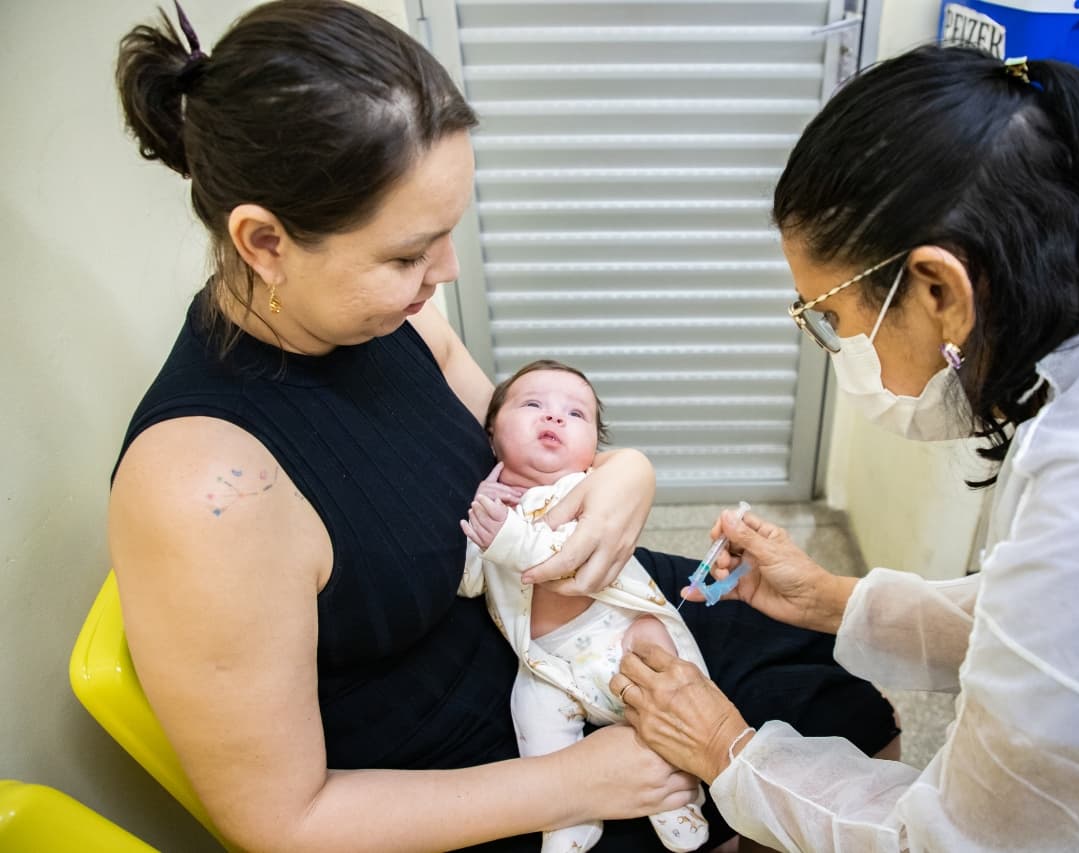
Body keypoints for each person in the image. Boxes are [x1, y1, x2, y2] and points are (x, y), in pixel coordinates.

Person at [106, 2, 900, 850]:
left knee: (843, 705)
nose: (444, 273)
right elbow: (282, 821)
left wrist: (624, 472)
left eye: (447, 235)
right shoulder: (204, 491)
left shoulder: (384, 316)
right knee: (753, 797)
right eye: (408, 254)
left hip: (549, 609)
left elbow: (517, 443)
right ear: (265, 242)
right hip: (451, 764)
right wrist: (578, 780)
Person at [612, 46, 1079, 852]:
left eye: (831, 317)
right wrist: (833, 600)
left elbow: (960, 842)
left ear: (941, 290)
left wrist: (729, 748)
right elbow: (1054, 629)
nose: (837, 347)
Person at [458, 360, 712, 853]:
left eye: (575, 414)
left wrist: (504, 537)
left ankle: (677, 793)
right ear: (491, 432)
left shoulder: (581, 491)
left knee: (660, 669)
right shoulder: (489, 504)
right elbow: (470, 584)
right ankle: (568, 819)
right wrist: (478, 524)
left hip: (618, 631)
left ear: (594, 446)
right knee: (533, 713)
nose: (554, 417)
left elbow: (565, 559)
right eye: (533, 404)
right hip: (549, 661)